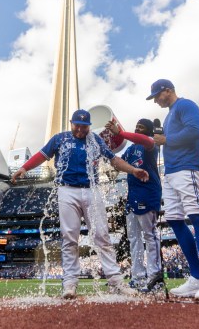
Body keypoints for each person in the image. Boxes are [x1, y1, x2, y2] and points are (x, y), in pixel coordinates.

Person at [11, 109, 149, 299]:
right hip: (66, 190)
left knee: (102, 235)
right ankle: (69, 283)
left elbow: (114, 160)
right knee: (69, 237)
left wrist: (133, 170)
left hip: (92, 189)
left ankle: (115, 281)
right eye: (77, 125)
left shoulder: (95, 140)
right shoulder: (60, 138)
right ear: (71, 123)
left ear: (89, 126)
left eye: (84, 126)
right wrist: (24, 168)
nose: (80, 130)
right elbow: (42, 155)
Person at [147, 79, 199, 300]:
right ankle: (197, 277)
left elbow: (195, 132)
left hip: (187, 167)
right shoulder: (169, 115)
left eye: (158, 96)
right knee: (175, 221)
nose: (156, 101)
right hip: (171, 172)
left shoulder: (186, 105)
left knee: (197, 217)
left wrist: (166, 139)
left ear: (168, 90)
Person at [105, 118, 163, 292]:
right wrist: (105, 149)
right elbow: (118, 164)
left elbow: (144, 140)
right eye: (136, 125)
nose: (138, 128)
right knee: (134, 239)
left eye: (142, 127)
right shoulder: (130, 149)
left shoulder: (150, 145)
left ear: (149, 131)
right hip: (132, 197)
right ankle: (137, 276)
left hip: (148, 193)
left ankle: (155, 276)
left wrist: (120, 133)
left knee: (150, 236)